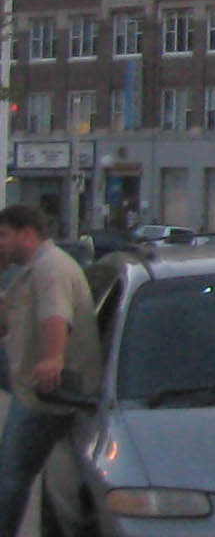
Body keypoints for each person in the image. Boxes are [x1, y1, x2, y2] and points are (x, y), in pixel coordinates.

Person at [0, 204, 101, 536]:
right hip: (35, 383)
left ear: (27, 234)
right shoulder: (33, 269)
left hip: (46, 392)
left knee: (11, 474)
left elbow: (56, 316)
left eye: (3, 236)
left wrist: (52, 359)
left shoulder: (51, 268)